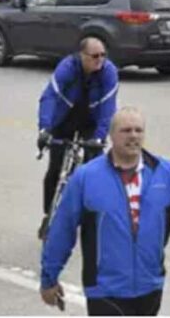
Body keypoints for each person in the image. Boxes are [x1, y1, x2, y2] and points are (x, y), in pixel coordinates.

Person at [40, 107, 170, 316]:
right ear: (111, 135)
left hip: (150, 286)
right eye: (126, 130)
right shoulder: (86, 178)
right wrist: (49, 277)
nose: (133, 136)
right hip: (104, 291)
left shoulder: (166, 173)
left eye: (138, 130)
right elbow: (62, 229)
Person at [36, 37, 119, 240]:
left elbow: (108, 108)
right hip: (65, 117)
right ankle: (49, 214)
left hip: (91, 120)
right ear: (82, 56)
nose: (100, 59)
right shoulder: (67, 67)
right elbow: (50, 96)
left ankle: (94, 217)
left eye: (103, 55)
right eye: (94, 56)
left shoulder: (108, 72)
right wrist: (44, 129)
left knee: (96, 169)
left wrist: (99, 137)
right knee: (55, 167)